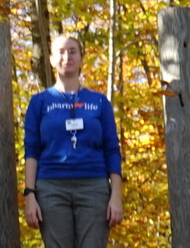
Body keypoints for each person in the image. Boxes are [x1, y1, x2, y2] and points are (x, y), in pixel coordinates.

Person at [21, 31, 123, 248]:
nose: (67, 57)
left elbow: (112, 149)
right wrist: (29, 195)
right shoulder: (40, 102)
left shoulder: (99, 102)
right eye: (61, 52)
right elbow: (32, 151)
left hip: (94, 186)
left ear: (81, 59)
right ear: (51, 59)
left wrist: (116, 195)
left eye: (72, 51)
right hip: (50, 188)